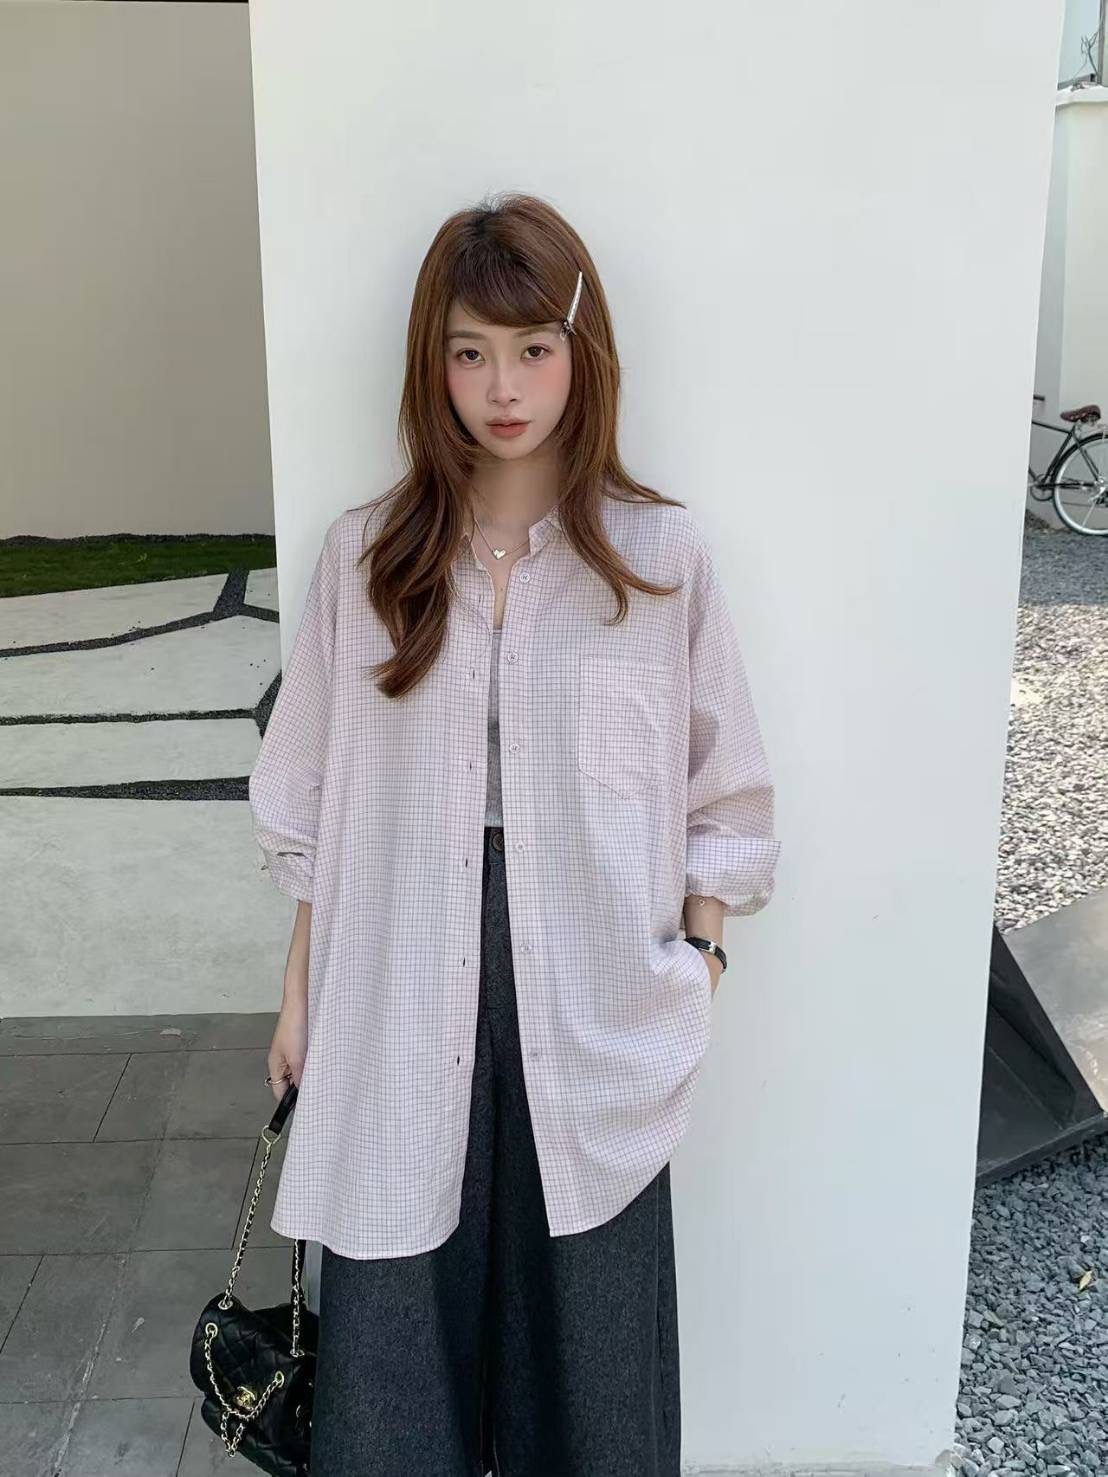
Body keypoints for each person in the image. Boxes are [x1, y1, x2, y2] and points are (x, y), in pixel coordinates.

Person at [248, 190, 781, 1477]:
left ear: (580, 353)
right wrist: (300, 991)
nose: (503, 387)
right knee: (393, 1331)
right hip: (396, 970)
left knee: (589, 1352)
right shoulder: (368, 559)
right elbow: (311, 800)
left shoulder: (658, 560)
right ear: (431, 363)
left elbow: (726, 793)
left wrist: (697, 961)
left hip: (595, 988)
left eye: (534, 348)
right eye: (470, 352)